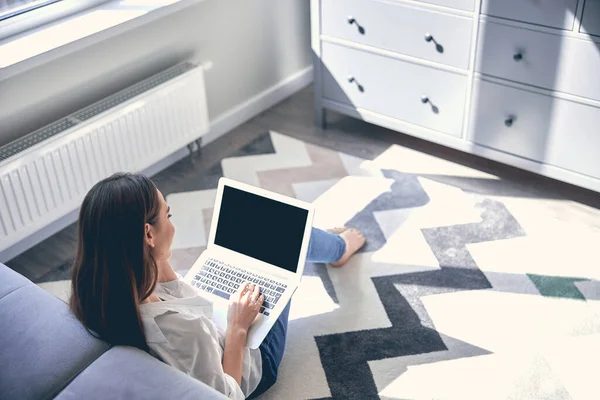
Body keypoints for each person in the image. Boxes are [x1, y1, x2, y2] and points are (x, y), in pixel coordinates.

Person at [70, 172, 365, 399]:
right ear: (148, 234)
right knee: (286, 251)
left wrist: (157, 256)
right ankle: (339, 248)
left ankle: (320, 241)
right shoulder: (182, 331)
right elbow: (229, 395)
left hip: (207, 332)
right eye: (167, 216)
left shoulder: (101, 291)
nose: (172, 225)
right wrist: (238, 328)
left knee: (276, 242)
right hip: (248, 365)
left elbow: (176, 300)